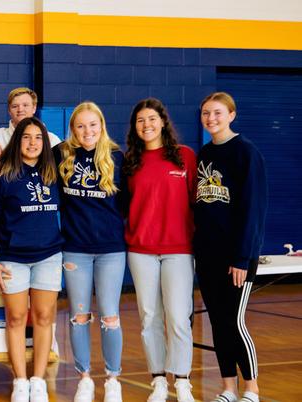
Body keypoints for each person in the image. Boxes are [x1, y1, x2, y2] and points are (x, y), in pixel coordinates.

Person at [0, 117, 62, 402]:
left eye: (38, 137)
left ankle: (38, 380)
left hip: (49, 256)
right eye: (26, 137)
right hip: (12, 258)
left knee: (43, 317)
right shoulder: (2, 177)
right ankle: (20, 380)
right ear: (17, 141)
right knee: (16, 318)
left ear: (45, 141)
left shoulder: (55, 172)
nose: (32, 143)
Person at [194, 92, 267, 402]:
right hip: (207, 255)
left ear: (232, 115)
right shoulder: (204, 154)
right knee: (217, 323)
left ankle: (251, 388)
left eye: (218, 113)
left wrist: (242, 257)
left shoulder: (246, 153)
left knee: (234, 322)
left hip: (237, 258)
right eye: (206, 113)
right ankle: (228, 387)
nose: (211, 118)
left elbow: (253, 210)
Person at [124, 98, 197, 402]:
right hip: (141, 250)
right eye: (140, 120)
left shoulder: (185, 157)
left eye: (152, 119)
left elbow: (198, 201)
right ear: (135, 127)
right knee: (149, 317)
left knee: (179, 317)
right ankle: (158, 380)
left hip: (179, 249)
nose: (147, 125)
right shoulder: (130, 161)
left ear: (163, 122)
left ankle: (181, 380)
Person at [56, 102, 125, 402]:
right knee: (79, 316)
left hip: (110, 249)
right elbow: (24, 155)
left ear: (102, 125)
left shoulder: (117, 157)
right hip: (75, 249)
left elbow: (128, 204)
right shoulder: (61, 154)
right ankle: (84, 378)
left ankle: (113, 378)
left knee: (110, 316)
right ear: (73, 129)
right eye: (81, 126)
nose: (87, 131)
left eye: (92, 125)